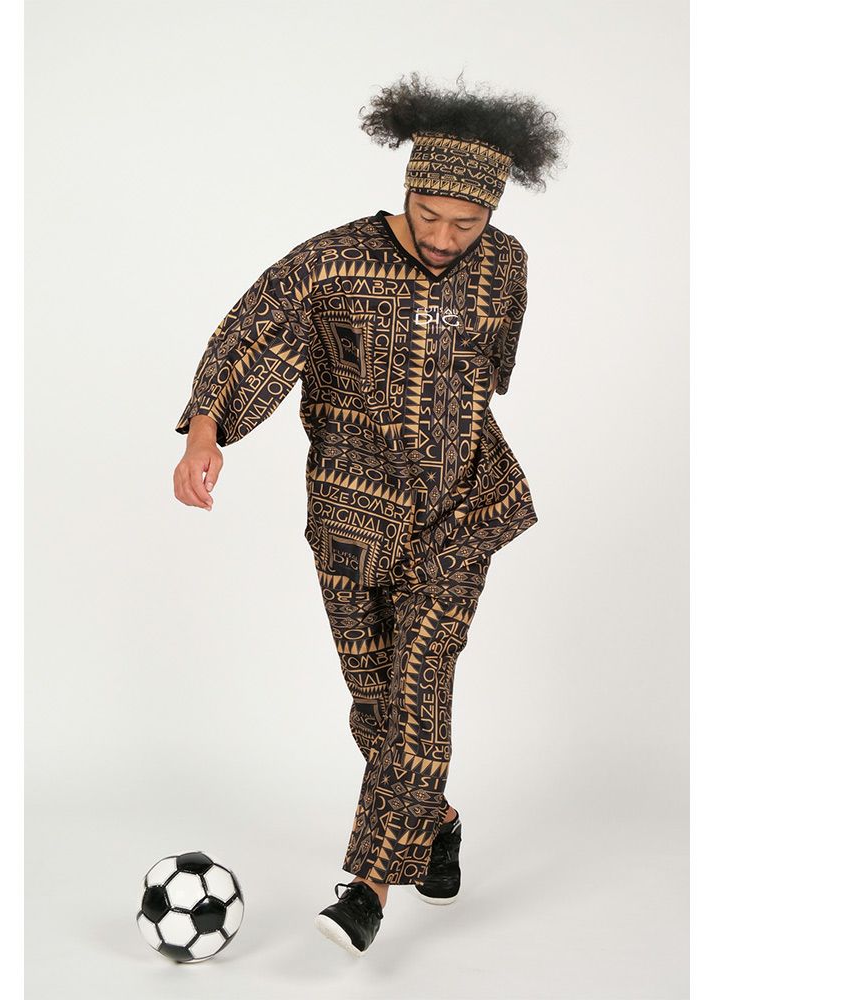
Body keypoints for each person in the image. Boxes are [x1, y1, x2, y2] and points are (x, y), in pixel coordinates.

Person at [172, 72, 566, 955]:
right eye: (429, 214)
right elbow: (251, 333)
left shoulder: (507, 266)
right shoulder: (330, 264)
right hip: (351, 518)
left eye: (467, 222)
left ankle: (367, 890)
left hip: (465, 508)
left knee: (420, 687)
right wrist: (205, 434)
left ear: (494, 213)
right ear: (407, 188)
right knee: (375, 704)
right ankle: (438, 820)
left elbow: (492, 371)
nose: (445, 237)